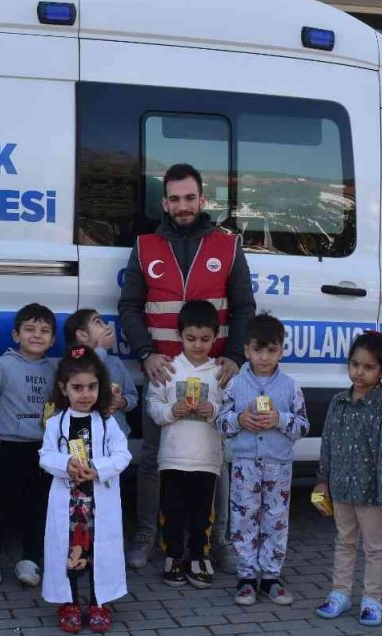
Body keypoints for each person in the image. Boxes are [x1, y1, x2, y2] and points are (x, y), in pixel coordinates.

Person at [118, 163, 255, 569]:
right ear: (164, 203)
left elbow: (245, 307)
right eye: (174, 199)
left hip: (214, 372)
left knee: (217, 457)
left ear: (202, 199)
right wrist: (145, 353)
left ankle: (220, 539)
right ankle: (147, 533)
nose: (182, 206)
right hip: (163, 371)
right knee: (154, 459)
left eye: (189, 197)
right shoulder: (145, 246)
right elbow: (129, 305)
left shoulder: (229, 246)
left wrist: (232, 357)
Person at [215, 313, 309, 606]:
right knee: (244, 520)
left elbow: (303, 426)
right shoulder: (235, 385)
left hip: (279, 466)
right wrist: (241, 419)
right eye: (258, 350)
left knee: (275, 520)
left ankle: (270, 577)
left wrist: (280, 419)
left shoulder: (291, 387)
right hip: (244, 466)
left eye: (271, 350)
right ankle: (246, 578)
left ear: (281, 350)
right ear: (246, 350)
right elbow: (220, 423)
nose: (264, 357)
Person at [40, 347, 131, 634]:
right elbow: (45, 455)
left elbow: (123, 454)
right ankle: (68, 603)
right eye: (77, 387)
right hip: (70, 505)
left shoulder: (106, 422)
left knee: (97, 553)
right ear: (63, 389)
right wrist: (65, 463)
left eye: (92, 387)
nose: (85, 394)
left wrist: (99, 468)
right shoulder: (56, 423)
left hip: (97, 502)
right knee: (69, 552)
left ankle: (98, 603)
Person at [314, 331, 382, 626]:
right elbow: (327, 443)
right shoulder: (338, 402)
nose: (359, 373)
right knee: (344, 540)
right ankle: (340, 593)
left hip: (371, 491)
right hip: (340, 487)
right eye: (355, 364)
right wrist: (322, 480)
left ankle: (372, 600)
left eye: (368, 367)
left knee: (375, 546)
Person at [0, 303, 57, 588]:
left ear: (53, 339)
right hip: (8, 447)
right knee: (0, 505)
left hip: (43, 450)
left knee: (38, 506)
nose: (37, 335)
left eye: (45, 331)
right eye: (30, 329)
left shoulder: (55, 369)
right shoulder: (3, 365)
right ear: (16, 335)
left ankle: (31, 560)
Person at [146, 300, 226, 589]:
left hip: (207, 459)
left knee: (202, 513)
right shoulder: (168, 369)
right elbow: (153, 406)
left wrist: (214, 410)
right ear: (179, 335)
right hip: (172, 458)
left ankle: (198, 556)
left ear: (216, 337)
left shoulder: (219, 373)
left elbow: (229, 410)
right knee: (173, 511)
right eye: (191, 338)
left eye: (205, 339)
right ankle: (174, 556)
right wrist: (171, 411)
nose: (198, 345)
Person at [63, 309, 139, 435]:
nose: (106, 326)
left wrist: (122, 402)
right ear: (82, 335)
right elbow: (84, 368)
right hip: (85, 438)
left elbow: (132, 395)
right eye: (98, 322)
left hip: (116, 437)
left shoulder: (115, 362)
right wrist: (101, 348)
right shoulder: (72, 359)